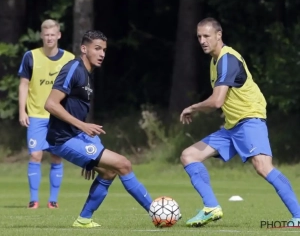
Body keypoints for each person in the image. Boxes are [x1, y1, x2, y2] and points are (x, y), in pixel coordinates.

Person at [179, 17, 300, 227]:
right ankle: (211, 208)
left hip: (250, 120)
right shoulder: (215, 61)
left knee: (263, 166)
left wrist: (193, 108)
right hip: (232, 127)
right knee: (189, 155)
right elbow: (222, 99)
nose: (202, 40)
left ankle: (298, 216)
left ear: (219, 35)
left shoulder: (227, 59)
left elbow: (217, 101)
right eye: (199, 36)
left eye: (207, 36)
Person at [44, 30, 153, 228]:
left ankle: (84, 219)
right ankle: (157, 212)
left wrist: (90, 158)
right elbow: (51, 104)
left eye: (104, 50)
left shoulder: (87, 75)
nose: (102, 53)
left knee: (109, 172)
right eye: (97, 48)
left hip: (77, 136)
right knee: (123, 164)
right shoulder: (74, 68)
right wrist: (83, 126)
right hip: (62, 139)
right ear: (84, 49)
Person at [18, 19, 75, 209]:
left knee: (57, 156)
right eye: (46, 35)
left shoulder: (69, 58)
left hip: (58, 116)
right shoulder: (30, 56)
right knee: (35, 155)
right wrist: (22, 111)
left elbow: (75, 88)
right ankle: (34, 199)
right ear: (42, 36)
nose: (50, 38)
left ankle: (53, 200)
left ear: (59, 35)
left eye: (53, 34)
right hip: (36, 115)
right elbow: (24, 84)